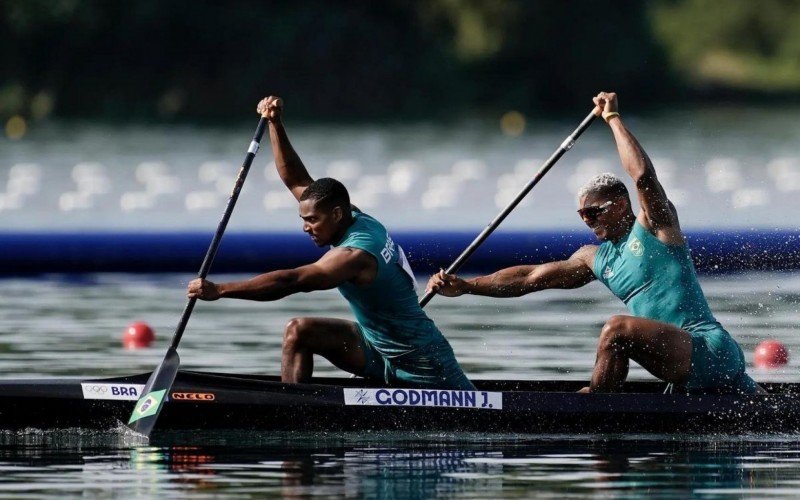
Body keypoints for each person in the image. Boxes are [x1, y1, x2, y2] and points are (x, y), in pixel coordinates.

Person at [427, 91, 761, 395]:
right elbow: (529, 279)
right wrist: (468, 287)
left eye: (593, 212)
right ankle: (601, 404)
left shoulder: (657, 227)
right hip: (680, 369)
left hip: (709, 350)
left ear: (619, 205)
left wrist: (613, 119)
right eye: (582, 215)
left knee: (617, 329)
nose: (588, 221)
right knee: (619, 338)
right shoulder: (595, 258)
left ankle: (596, 408)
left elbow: (643, 176)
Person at [188, 95, 474, 391]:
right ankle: (293, 412)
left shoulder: (355, 255)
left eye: (311, 220)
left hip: (423, 362)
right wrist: (275, 124)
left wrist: (220, 290)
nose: (305, 227)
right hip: (375, 348)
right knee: (298, 331)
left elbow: (294, 280)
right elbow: (296, 179)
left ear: (336, 214)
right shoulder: (351, 216)